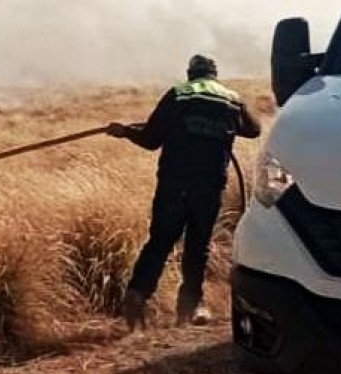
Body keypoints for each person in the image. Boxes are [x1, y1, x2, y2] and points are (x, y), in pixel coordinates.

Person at [108, 54, 261, 329]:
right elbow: (254, 130)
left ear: (190, 74)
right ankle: (190, 308)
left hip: (173, 185)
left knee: (160, 242)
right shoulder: (230, 98)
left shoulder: (178, 94)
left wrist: (127, 132)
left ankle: (137, 295)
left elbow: (151, 140)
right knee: (197, 246)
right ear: (214, 75)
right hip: (209, 186)